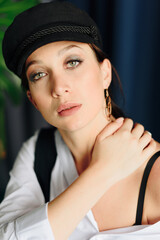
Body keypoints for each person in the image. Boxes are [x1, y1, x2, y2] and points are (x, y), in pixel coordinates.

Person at [0, 1, 160, 239]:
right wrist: (103, 170)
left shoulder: (154, 172)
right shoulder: (38, 153)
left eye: (72, 62)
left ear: (104, 73)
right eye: (39, 74)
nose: (59, 87)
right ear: (33, 99)